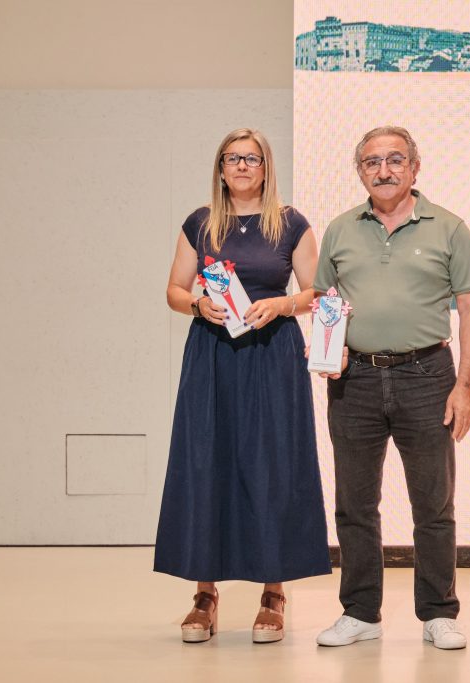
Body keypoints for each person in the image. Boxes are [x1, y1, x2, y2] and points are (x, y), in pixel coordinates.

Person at [154, 128, 331, 644]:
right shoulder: (200, 222)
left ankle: (273, 592)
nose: (241, 166)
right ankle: (204, 594)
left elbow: (317, 291)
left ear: (266, 167)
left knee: (272, 465)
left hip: (272, 354)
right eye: (232, 158)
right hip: (212, 355)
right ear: (220, 168)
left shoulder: (291, 223)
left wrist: (281, 304)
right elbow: (174, 289)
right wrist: (197, 304)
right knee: (206, 461)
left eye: (251, 158)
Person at [313, 126, 470, 650]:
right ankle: (360, 612)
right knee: (354, 505)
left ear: (414, 167)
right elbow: (325, 297)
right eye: (372, 162)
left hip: (427, 377)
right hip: (355, 381)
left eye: (394, 160)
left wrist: (465, 386)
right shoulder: (340, 230)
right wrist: (331, 348)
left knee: (433, 504)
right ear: (360, 171)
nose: (383, 170)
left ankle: (438, 613)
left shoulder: (449, 228)